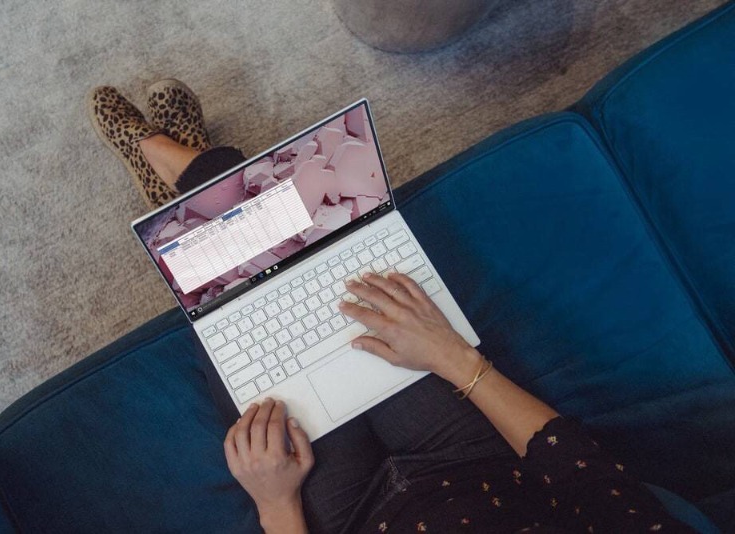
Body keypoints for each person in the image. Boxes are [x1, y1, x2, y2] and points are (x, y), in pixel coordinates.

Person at [88, 81, 694, 533]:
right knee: (337, 260)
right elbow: (583, 472)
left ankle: (173, 162)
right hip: (477, 463)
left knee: (235, 310)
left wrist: (276, 505)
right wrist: (456, 359)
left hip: (351, 517)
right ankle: (188, 167)